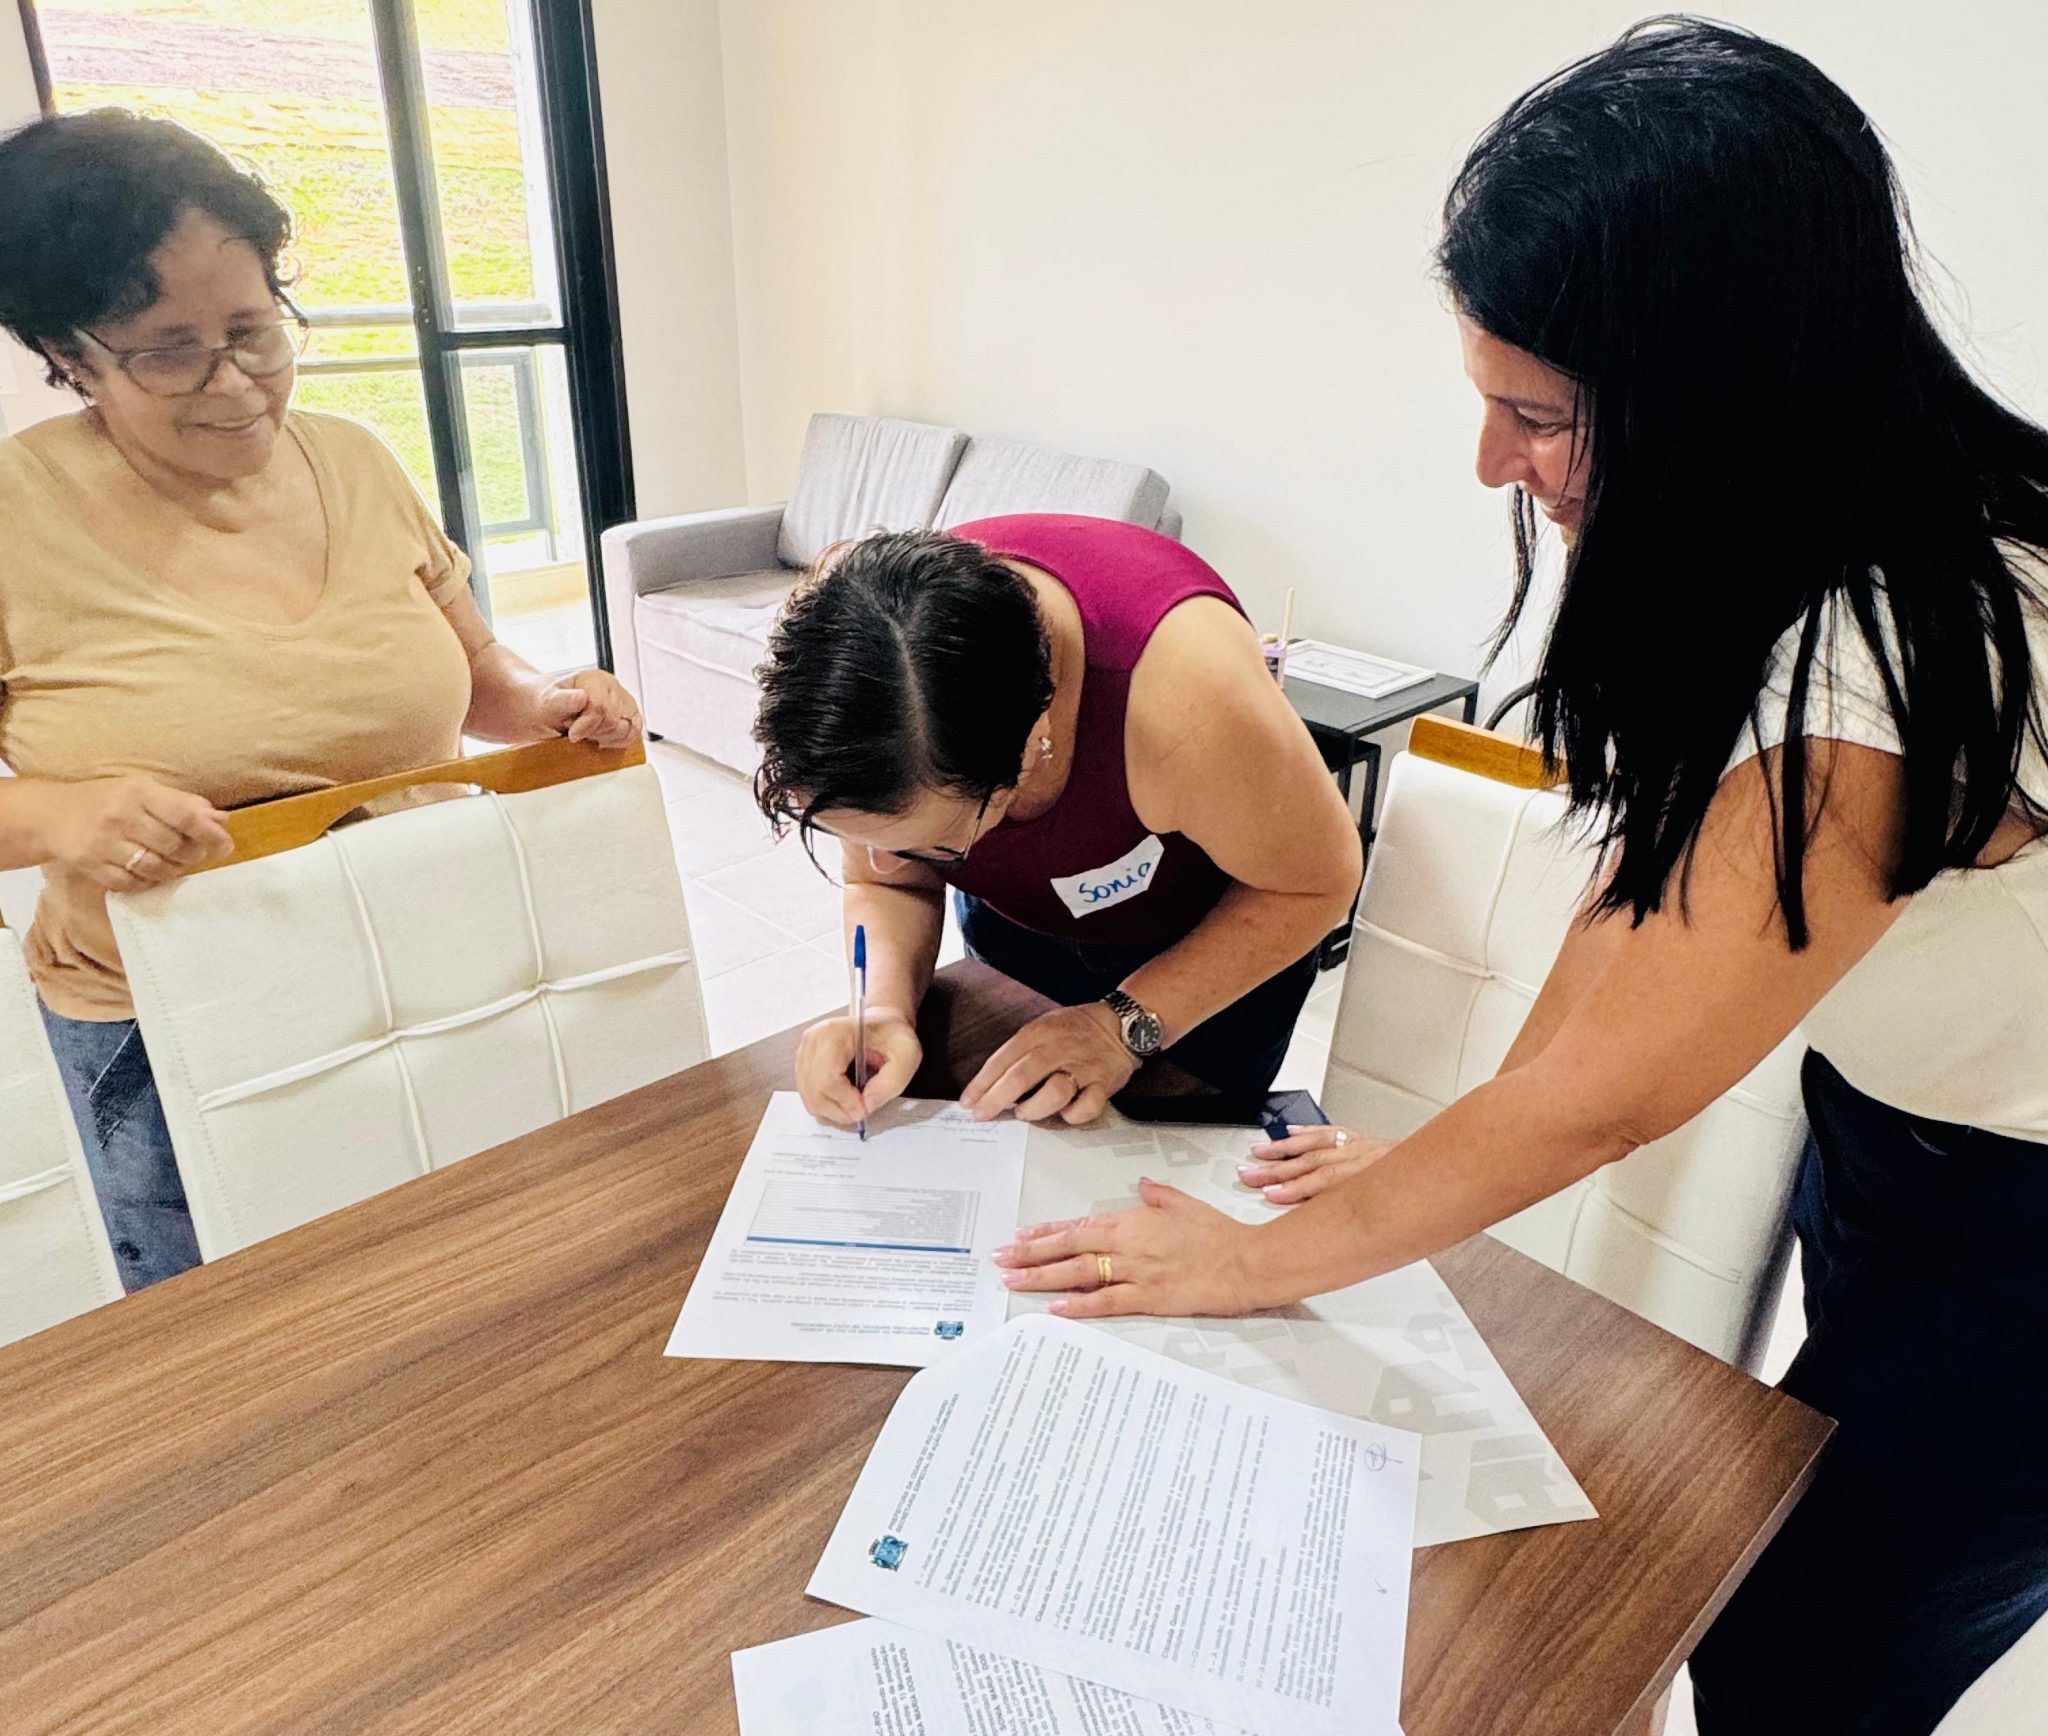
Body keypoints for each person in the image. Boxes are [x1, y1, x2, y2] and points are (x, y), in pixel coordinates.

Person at [995, 22, 2048, 1735]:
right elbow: (1638, 899)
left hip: (2017, 1216)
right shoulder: (1783, 546)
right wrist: (1449, 1138)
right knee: (1802, 1533)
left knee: (1802, 1652)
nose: (1492, 464)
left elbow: (1605, 1100)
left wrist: (1264, 1262)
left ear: (1727, 394)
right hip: (1900, 1126)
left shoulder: (1893, 665)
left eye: (1538, 417)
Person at [0, 110, 642, 1293]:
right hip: (161, 1019)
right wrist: (56, 815)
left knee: (453, 1272)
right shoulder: (15, 512)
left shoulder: (353, 458)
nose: (237, 382)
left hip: (415, 951)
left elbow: (477, 675)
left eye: (254, 330)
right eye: (170, 351)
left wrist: (553, 701)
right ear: (71, 354)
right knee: (239, 1322)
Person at [751, 514, 1362, 1128]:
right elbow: (887, 882)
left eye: (937, 845)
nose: (885, 860)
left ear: (1031, 745)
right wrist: (884, 1008)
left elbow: (1316, 881)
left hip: (1215, 942)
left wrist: (1123, 1025)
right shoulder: (873, 672)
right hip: (1019, 935)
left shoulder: (1188, 699)